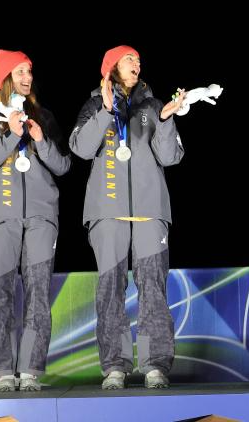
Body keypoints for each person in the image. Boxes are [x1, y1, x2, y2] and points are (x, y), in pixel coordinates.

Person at [69, 45, 185, 389]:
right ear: (112, 67)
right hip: (107, 212)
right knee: (110, 289)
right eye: (129, 59)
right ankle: (115, 367)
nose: (137, 63)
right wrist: (106, 111)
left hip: (150, 212)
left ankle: (154, 365)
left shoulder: (154, 105)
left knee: (153, 289)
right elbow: (81, 148)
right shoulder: (94, 104)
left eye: (138, 59)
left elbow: (171, 156)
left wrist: (166, 119)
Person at [0, 50, 70, 392]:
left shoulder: (43, 116)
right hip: (0, 216)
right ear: (5, 77)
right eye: (20, 71)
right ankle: (0, 370)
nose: (28, 77)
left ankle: (31, 370)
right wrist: (10, 135)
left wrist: (40, 141)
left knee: (38, 292)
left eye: (30, 71)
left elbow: (63, 165)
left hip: (41, 215)